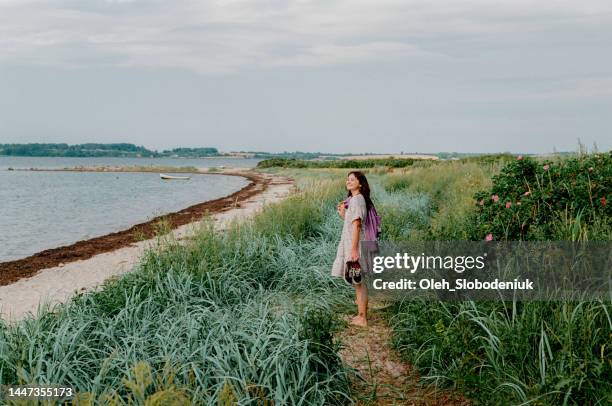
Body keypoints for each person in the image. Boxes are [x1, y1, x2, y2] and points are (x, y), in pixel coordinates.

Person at [331, 171, 377, 327]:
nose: (348, 181)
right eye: (347, 179)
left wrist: (353, 250)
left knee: (358, 282)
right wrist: (344, 214)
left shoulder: (357, 200)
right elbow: (352, 222)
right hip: (354, 243)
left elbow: (357, 225)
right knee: (357, 281)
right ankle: (361, 315)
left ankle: (362, 318)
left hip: (355, 245)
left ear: (360, 184)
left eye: (353, 179)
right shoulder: (355, 200)